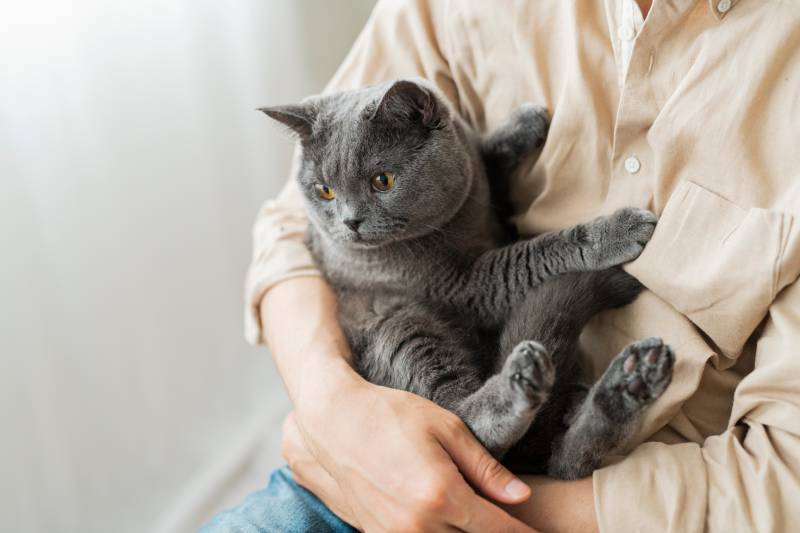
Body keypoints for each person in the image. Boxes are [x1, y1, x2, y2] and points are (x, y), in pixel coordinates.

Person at [201, 0, 800, 531]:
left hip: (624, 504)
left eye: (378, 184)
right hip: (370, 461)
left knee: (549, 317)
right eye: (332, 197)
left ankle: (559, 434)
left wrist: (455, 505)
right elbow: (285, 224)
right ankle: (498, 419)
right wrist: (326, 402)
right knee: (399, 336)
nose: (349, 221)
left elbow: (784, 484)